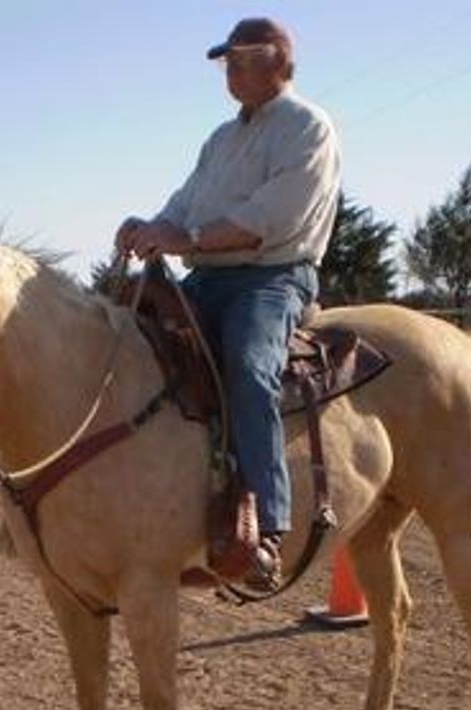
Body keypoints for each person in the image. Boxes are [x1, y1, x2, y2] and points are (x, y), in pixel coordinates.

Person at [115, 17, 341, 591]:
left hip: (272, 277)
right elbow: (185, 203)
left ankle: (267, 526)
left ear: (279, 62)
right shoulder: (220, 139)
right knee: (130, 342)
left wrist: (186, 239)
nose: (231, 72)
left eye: (242, 60)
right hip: (209, 277)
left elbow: (272, 218)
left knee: (247, 365)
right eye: (227, 63)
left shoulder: (307, 128)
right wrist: (150, 226)